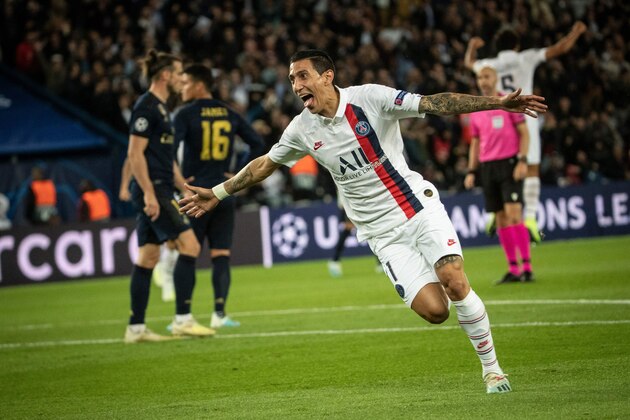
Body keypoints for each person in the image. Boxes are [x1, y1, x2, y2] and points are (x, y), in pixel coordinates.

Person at [179, 49, 547, 393]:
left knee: (454, 278)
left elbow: (435, 103)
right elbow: (265, 164)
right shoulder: (301, 129)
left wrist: (497, 103)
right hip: (380, 235)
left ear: (327, 76)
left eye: (303, 75)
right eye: (292, 79)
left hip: (417, 208)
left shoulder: (369, 98)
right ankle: (440, 282)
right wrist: (219, 192)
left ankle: (492, 369)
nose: (296, 85)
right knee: (436, 311)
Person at [464, 22, 587, 243]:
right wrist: (575, 32)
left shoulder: (488, 64)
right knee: (531, 168)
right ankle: (530, 218)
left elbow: (469, 63)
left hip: (496, 115)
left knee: (495, 163)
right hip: (523, 115)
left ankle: (494, 213)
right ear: (517, 45)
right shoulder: (525, 58)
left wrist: (472, 45)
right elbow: (560, 49)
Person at [124, 49, 215, 343]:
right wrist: (149, 194)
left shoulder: (162, 109)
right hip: (154, 189)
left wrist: (184, 188)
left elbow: (166, 159)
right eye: (177, 74)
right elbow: (134, 154)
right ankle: (182, 320)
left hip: (163, 186)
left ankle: (135, 328)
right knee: (189, 244)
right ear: (165, 75)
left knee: (148, 256)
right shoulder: (147, 107)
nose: (180, 79)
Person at [174, 63, 264, 328]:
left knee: (188, 254)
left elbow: (169, 151)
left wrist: (180, 183)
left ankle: (182, 316)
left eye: (186, 83)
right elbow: (257, 143)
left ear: (200, 84)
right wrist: (236, 175)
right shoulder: (229, 113)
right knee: (221, 255)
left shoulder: (185, 114)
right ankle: (219, 315)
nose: (182, 88)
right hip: (224, 192)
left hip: (195, 194)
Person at [464, 66, 533, 284]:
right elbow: (475, 142)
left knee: (514, 214)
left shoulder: (509, 102)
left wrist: (522, 160)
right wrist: (471, 170)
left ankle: (527, 267)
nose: (483, 81)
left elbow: (524, 134)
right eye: (479, 77)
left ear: (495, 78)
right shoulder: (477, 108)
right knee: (501, 219)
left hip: (509, 164)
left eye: (486, 76)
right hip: (487, 167)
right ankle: (513, 269)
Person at [120, 158, 177, 303]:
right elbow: (131, 157)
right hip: (150, 193)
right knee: (177, 238)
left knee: (150, 253)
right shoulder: (148, 137)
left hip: (168, 189)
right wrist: (124, 185)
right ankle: (167, 275)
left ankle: (136, 323)